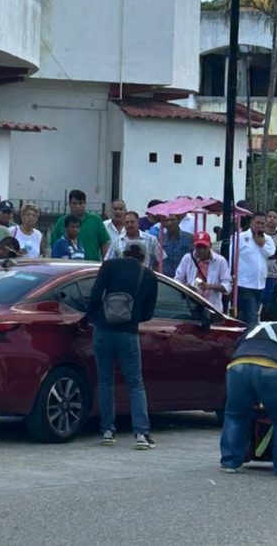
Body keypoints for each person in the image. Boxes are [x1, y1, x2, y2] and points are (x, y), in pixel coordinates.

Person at [88, 243, 159, 450]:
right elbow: (149, 313)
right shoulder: (148, 276)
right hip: (129, 332)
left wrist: (96, 316)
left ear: (123, 253)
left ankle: (108, 431)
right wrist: (133, 316)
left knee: (105, 381)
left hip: (103, 329)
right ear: (144, 258)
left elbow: (95, 296)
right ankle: (141, 434)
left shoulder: (109, 266)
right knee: (135, 383)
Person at [218, 320, 277, 475]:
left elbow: (238, 352)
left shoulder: (251, 329)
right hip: (274, 368)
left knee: (235, 415)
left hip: (237, 368)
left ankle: (230, 462)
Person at [174, 232, 232, 310]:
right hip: (190, 306)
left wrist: (209, 286)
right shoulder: (187, 259)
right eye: (198, 247)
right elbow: (177, 280)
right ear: (194, 246)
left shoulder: (220, 261)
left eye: (204, 247)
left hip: (212, 307)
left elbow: (227, 286)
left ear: (210, 246)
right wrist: (186, 287)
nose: (201, 250)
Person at [236, 214, 276, 324]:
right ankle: (250, 337)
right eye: (257, 223)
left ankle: (240, 334)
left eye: (262, 223)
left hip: (261, 283)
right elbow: (232, 257)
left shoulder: (268, 239)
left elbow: (271, 253)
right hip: (244, 283)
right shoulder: (240, 237)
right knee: (252, 315)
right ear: (251, 222)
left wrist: (262, 244)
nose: (260, 226)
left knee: (248, 314)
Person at [49, 190, 110, 262]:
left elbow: (104, 243)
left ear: (85, 204)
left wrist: (106, 263)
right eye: (74, 203)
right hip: (68, 268)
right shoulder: (62, 222)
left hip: (91, 266)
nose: (77, 206)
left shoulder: (95, 220)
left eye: (80, 203)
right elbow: (54, 245)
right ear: (69, 204)